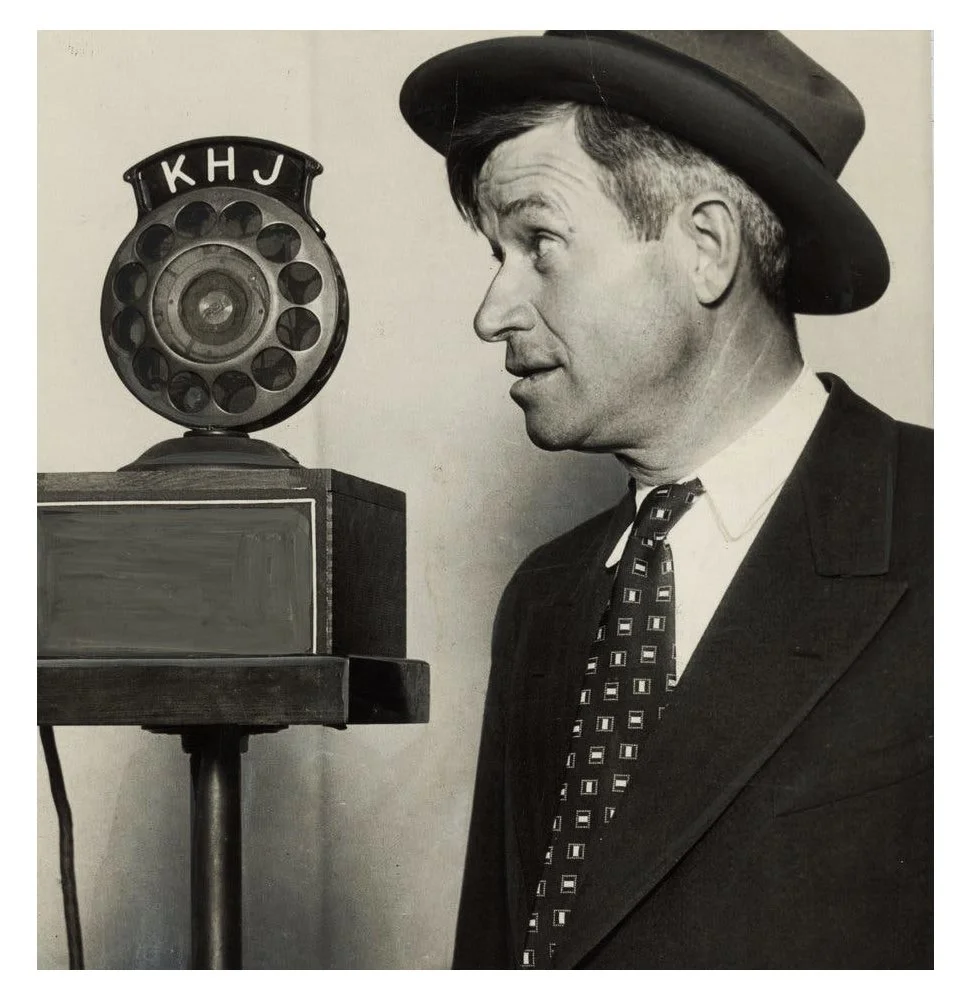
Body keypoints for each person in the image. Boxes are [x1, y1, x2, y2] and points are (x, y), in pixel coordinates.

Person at [400, 30, 932, 969]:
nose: (493, 311)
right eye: (497, 252)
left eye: (540, 243)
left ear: (706, 247)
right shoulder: (543, 598)